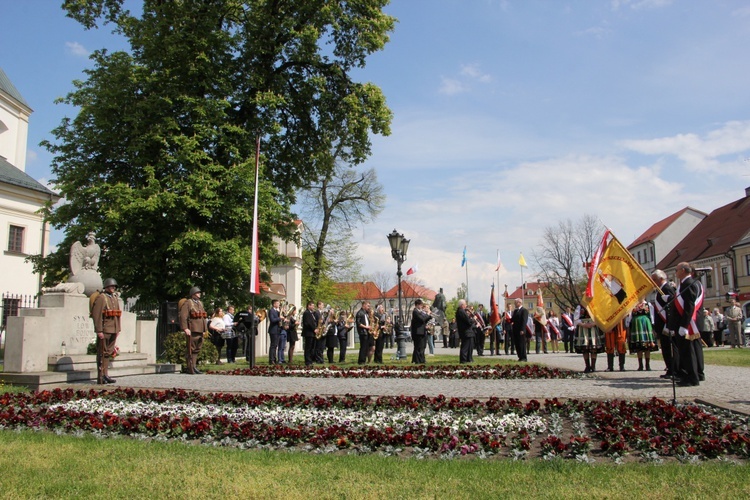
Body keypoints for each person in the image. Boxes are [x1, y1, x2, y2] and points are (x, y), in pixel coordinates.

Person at [667, 261, 702, 387]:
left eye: (676, 270)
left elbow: (689, 306)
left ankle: (692, 378)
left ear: (683, 270)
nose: (676, 273)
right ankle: (689, 375)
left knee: (687, 351)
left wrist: (684, 325)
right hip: (681, 323)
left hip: (684, 323)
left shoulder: (688, 283)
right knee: (685, 351)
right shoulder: (684, 284)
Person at [91, 277, 121, 384]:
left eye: (114, 286)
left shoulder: (114, 298)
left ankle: (106, 374)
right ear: (106, 287)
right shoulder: (102, 298)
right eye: (111, 286)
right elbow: (97, 315)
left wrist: (118, 329)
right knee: (102, 353)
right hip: (105, 330)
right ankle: (101, 376)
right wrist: (99, 330)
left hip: (113, 329)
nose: (113, 288)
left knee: (108, 353)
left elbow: (117, 314)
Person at [651, 269, 676, 378]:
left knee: (669, 348)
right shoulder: (660, 290)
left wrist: (669, 323)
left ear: (661, 279)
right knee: (665, 348)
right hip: (661, 324)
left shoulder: (667, 289)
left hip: (667, 324)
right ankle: (669, 369)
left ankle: (673, 369)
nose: (653, 282)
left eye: (655, 279)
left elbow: (672, 307)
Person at [179, 286, 207, 375]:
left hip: (200, 329)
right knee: (191, 349)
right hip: (193, 329)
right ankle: (189, 367)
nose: (199, 294)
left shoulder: (200, 303)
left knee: (197, 349)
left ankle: (194, 366)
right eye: (198, 293)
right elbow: (183, 316)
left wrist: (205, 329)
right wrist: (185, 328)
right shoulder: (188, 303)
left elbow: (202, 316)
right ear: (193, 294)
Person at [628, 300, 657, 371]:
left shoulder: (648, 304)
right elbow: (630, 316)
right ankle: (640, 365)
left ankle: (647, 365)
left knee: (647, 346)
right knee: (639, 346)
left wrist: (652, 325)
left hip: (646, 324)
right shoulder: (632, 304)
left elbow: (652, 316)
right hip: (636, 325)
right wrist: (628, 324)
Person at [574, 304, 603, 373]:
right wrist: (584, 325)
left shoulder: (595, 304)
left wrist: (593, 323)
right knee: (585, 348)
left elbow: (599, 316)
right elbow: (576, 319)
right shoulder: (579, 307)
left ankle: (593, 366)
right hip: (583, 328)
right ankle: (587, 366)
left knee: (594, 348)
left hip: (593, 327)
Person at [410, 299, 431, 364]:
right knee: (418, 347)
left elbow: (424, 321)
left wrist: (428, 317)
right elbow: (422, 319)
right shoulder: (415, 311)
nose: (421, 306)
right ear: (417, 305)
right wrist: (428, 315)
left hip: (421, 331)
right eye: (420, 305)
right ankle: (417, 360)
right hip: (417, 332)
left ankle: (421, 359)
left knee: (421, 346)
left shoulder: (419, 312)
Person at [455, 299, 475, 363]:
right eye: (465, 304)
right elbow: (468, 321)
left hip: (467, 331)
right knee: (465, 346)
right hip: (465, 331)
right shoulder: (461, 311)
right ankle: (463, 360)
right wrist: (473, 319)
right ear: (462, 305)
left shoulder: (461, 311)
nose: (466, 306)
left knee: (469, 346)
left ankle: (468, 358)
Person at [301, 301, 318, 366]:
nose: (313, 307)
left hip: (312, 333)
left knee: (312, 347)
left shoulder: (312, 313)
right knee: (308, 347)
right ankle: (307, 361)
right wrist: (314, 329)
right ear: (309, 306)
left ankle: (311, 359)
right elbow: (308, 323)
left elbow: (313, 322)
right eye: (312, 306)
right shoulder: (306, 313)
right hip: (308, 332)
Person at [267, 299, 281, 365]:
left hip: (278, 330)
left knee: (276, 345)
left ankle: (274, 359)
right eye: (277, 303)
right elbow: (272, 320)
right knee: (273, 345)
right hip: (273, 330)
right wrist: (280, 318)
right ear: (274, 304)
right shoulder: (271, 311)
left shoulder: (278, 311)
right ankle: (271, 359)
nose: (279, 305)